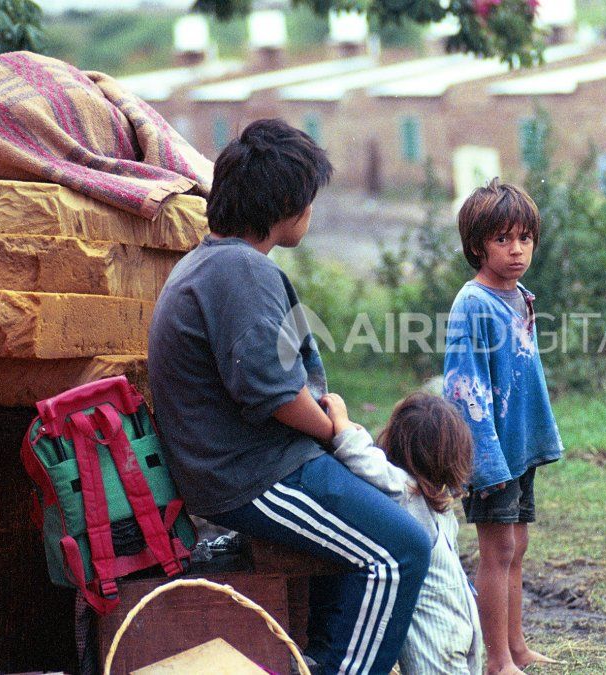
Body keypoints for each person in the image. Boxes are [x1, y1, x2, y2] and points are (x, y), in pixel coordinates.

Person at [147, 118, 431, 675]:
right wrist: (337, 430)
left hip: (258, 464)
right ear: (284, 206)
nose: (311, 212)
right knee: (400, 552)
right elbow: (271, 393)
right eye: (308, 200)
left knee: (368, 542)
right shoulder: (239, 271)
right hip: (251, 474)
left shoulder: (217, 263)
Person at [443, 178, 564, 675]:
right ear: (477, 245)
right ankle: (495, 660)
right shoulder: (473, 304)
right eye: (502, 240)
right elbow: (462, 388)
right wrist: (483, 462)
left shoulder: (519, 297)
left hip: (518, 446)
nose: (516, 251)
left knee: (518, 546)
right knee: (496, 551)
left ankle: (516, 646)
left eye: (525, 239)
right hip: (489, 453)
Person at [321, 391, 484, 675]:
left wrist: (342, 423)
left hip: (435, 639)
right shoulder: (440, 508)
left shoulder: (405, 492)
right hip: (462, 626)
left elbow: (362, 459)